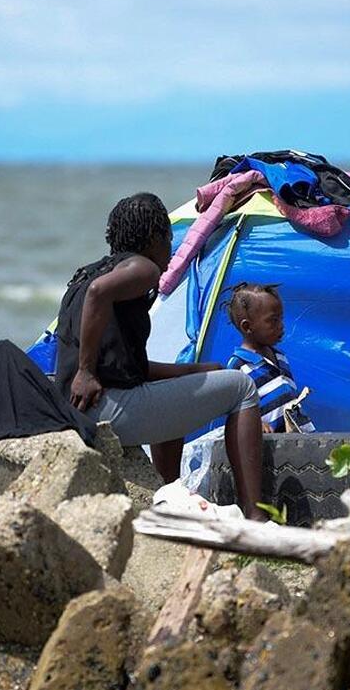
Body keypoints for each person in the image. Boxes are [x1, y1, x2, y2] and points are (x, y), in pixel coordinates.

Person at [56, 192, 269, 519]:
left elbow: (131, 370)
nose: (170, 248)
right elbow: (100, 296)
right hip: (108, 410)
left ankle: (170, 496)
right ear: (155, 237)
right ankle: (255, 516)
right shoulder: (142, 268)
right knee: (242, 387)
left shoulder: (88, 274)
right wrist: (86, 371)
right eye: (168, 238)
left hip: (77, 409)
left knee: (174, 396)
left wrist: (195, 371)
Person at [226, 283, 315, 433]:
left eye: (281, 319)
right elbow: (232, 411)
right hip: (271, 445)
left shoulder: (280, 357)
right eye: (273, 320)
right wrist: (255, 424)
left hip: (298, 438)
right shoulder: (238, 367)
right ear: (247, 327)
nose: (281, 326)